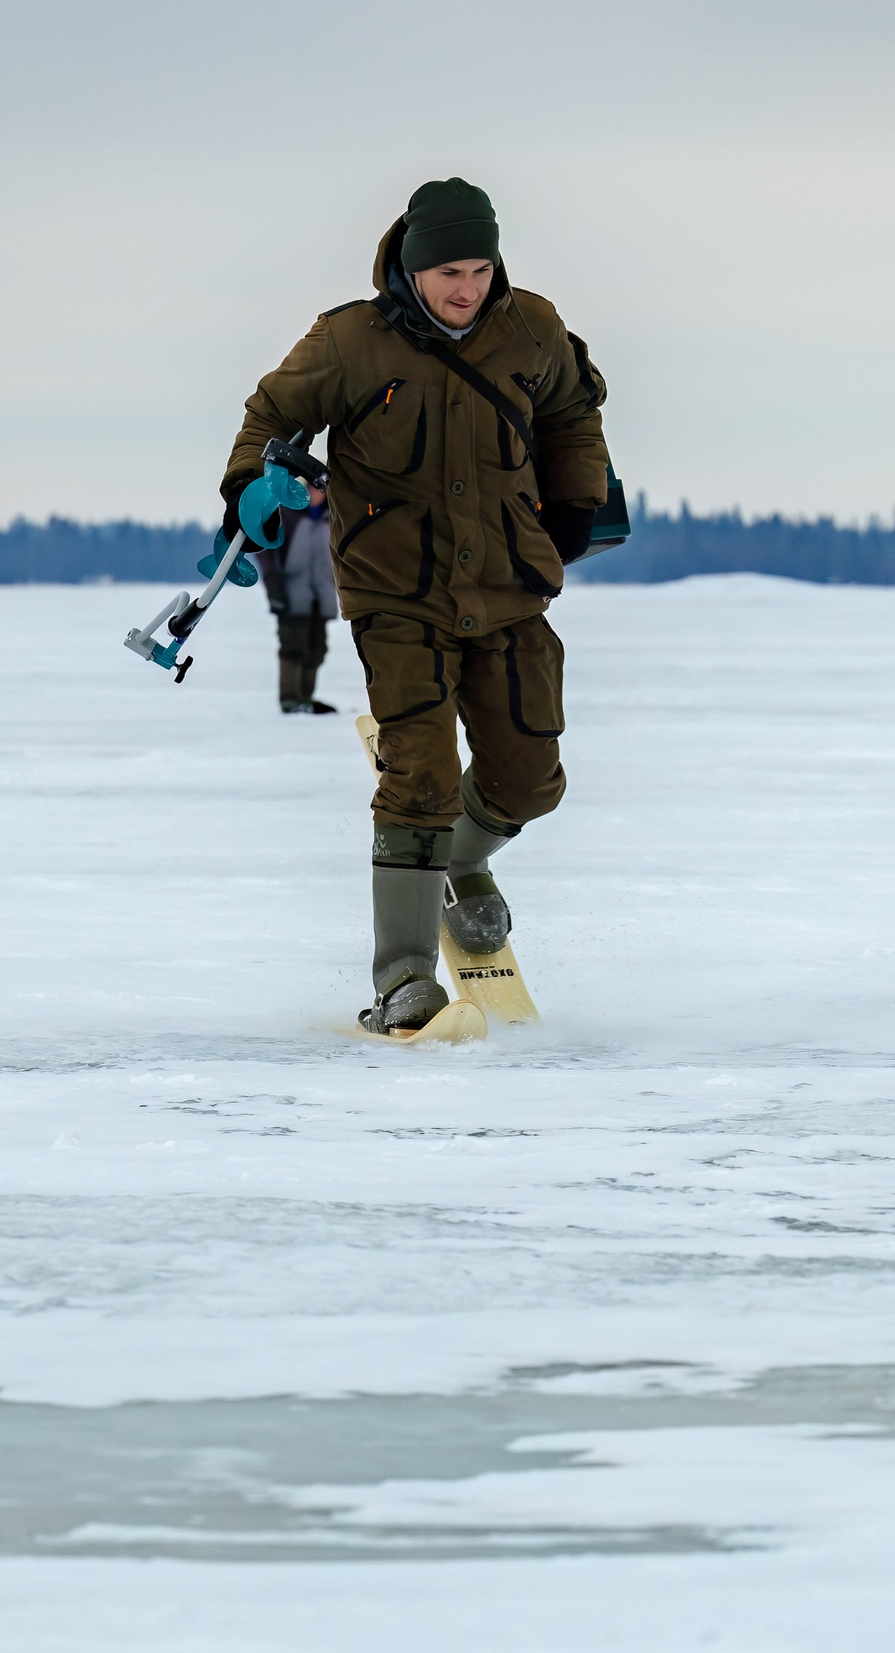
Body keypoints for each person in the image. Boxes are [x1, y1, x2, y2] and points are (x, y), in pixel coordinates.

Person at [219, 178, 611, 1034]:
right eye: (446, 272)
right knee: (422, 774)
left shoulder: (533, 328)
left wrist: (578, 501)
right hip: (398, 592)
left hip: (508, 584)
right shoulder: (348, 343)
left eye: (478, 269)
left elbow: (575, 412)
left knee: (529, 774)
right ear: (410, 263)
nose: (465, 288)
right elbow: (269, 415)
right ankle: (402, 976)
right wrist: (252, 486)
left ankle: (461, 868)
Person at [257, 500, 338, 714]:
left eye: (321, 486)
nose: (316, 490)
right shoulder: (287, 514)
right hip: (292, 593)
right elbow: (264, 547)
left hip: (322, 594)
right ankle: (290, 700)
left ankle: (306, 699)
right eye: (311, 485)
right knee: (293, 647)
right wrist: (273, 583)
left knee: (317, 649)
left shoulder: (335, 515)